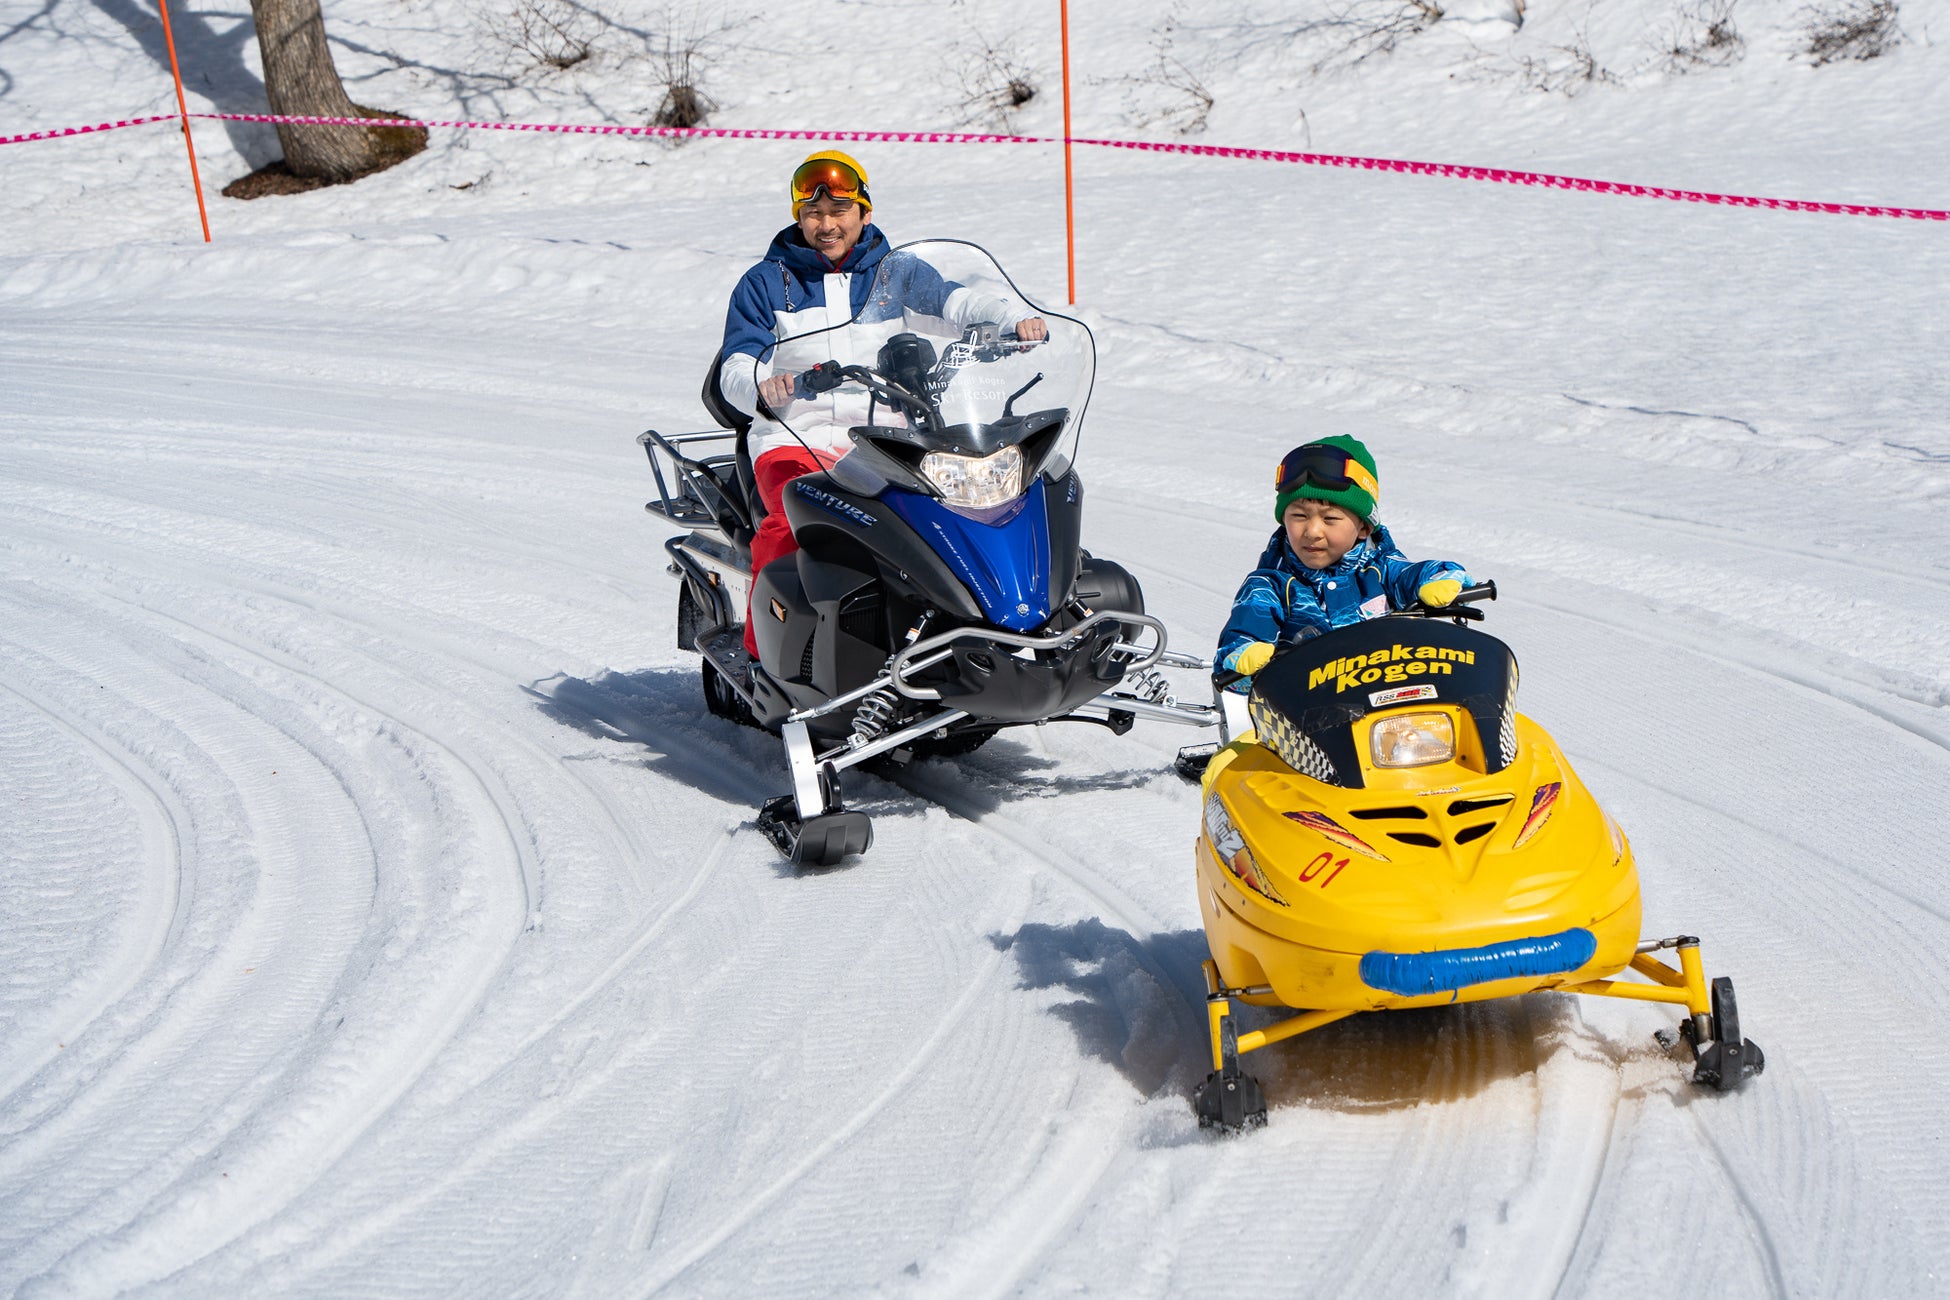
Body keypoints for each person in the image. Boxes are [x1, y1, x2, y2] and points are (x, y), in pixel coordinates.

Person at [715, 150, 1047, 657]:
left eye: (839, 212)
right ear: (798, 217)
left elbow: (957, 302)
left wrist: (1007, 321)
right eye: (813, 214)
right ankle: (767, 659)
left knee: (949, 513)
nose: (826, 225)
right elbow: (735, 365)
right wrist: (765, 384)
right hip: (795, 436)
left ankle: (953, 637)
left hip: (885, 438)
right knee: (790, 519)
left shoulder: (895, 273)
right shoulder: (765, 283)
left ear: (864, 213)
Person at [1216, 436, 1470, 685]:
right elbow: (1246, 625)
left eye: (1330, 519)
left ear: (1363, 528)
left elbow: (1410, 574)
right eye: (1299, 515)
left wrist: (1441, 576)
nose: (1312, 531)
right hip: (1303, 710)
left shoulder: (1380, 569)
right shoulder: (1271, 585)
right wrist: (1244, 650)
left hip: (1386, 697)